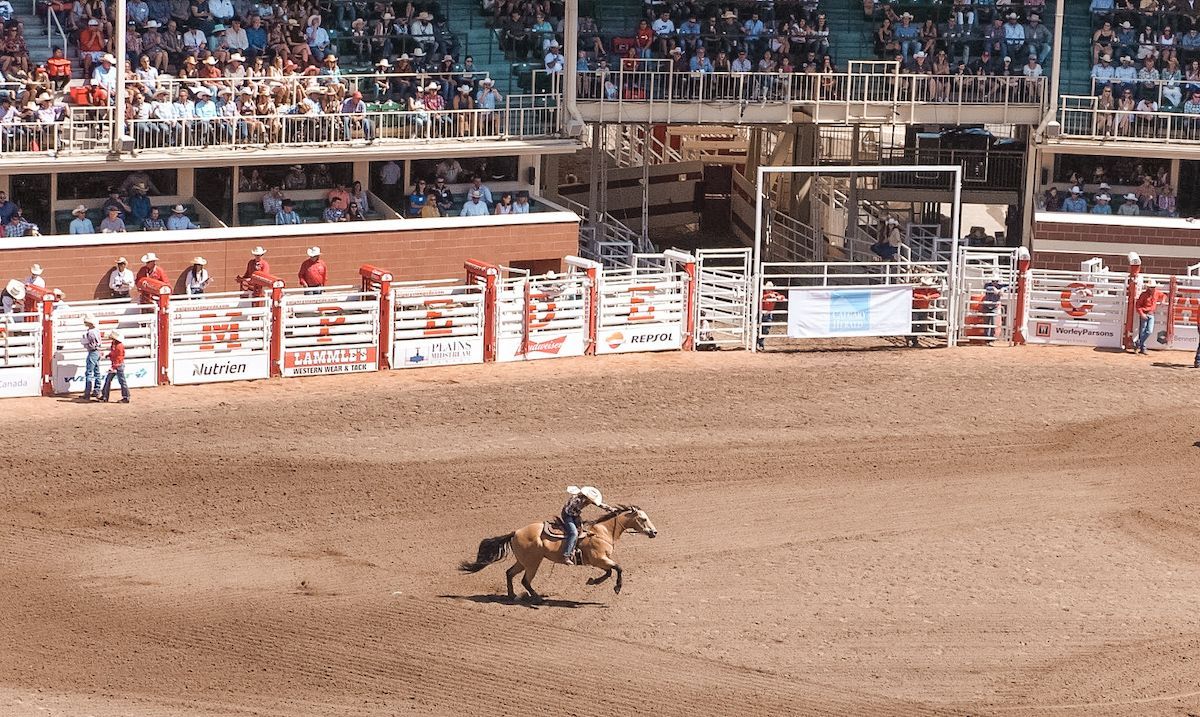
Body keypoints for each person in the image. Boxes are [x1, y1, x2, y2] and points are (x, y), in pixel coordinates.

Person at [559, 485, 615, 565]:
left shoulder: (587, 500)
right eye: (590, 500)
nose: (590, 502)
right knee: (574, 533)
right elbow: (570, 510)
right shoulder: (577, 499)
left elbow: (600, 505)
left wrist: (611, 509)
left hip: (574, 515)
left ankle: (575, 547)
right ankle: (566, 555)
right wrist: (578, 519)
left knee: (582, 530)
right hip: (568, 515)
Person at [1134, 278, 1167, 354]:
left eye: (1153, 287)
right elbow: (1138, 305)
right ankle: (1143, 347)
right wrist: (1142, 314)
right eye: (1151, 287)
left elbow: (1164, 295)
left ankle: (1138, 343)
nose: (1152, 289)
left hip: (1150, 313)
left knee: (1148, 331)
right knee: (1144, 331)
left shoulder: (1156, 293)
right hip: (1145, 313)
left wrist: (1163, 300)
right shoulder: (1144, 295)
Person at [910, 275, 942, 346]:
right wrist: (923, 297)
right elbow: (913, 294)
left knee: (922, 326)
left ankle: (912, 338)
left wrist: (929, 297)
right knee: (915, 324)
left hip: (924, 309)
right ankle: (914, 340)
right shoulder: (918, 288)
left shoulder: (930, 289)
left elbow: (938, 294)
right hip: (916, 309)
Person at [100, 330, 130, 403]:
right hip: (117, 364)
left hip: (117, 365)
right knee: (115, 381)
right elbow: (116, 355)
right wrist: (110, 355)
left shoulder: (118, 346)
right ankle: (105, 396)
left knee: (119, 381)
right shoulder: (115, 344)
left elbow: (119, 358)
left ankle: (125, 397)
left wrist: (114, 367)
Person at [80, 313, 102, 400]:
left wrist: (85, 343)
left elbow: (91, 344)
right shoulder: (96, 330)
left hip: (92, 352)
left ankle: (87, 393)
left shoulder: (90, 332)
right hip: (97, 351)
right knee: (97, 372)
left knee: (89, 372)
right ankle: (97, 390)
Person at [758, 281, 785, 350]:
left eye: (770, 288)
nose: (769, 289)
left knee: (766, 329)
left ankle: (759, 342)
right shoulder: (762, 292)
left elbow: (782, 297)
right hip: (761, 313)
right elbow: (760, 298)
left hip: (769, 313)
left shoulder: (774, 293)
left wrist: (779, 297)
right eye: (768, 288)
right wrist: (769, 295)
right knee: (759, 329)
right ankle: (760, 343)